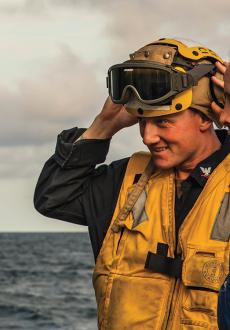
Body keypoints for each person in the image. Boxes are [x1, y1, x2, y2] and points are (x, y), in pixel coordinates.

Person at [34, 38, 230, 329]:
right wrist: (104, 124)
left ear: (205, 118)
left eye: (163, 122)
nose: (148, 136)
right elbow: (54, 197)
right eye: (142, 121)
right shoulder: (126, 180)